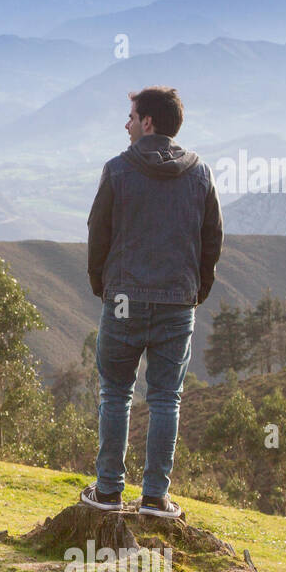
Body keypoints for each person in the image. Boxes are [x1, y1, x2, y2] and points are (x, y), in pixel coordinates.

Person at [80, 86, 223, 519]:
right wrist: (196, 290)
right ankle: (155, 498)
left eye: (130, 116)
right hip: (177, 304)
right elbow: (211, 239)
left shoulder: (118, 170)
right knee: (165, 398)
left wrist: (100, 284)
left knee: (116, 393)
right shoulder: (200, 173)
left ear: (148, 123)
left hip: (123, 300)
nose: (125, 124)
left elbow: (97, 231)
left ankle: (107, 493)